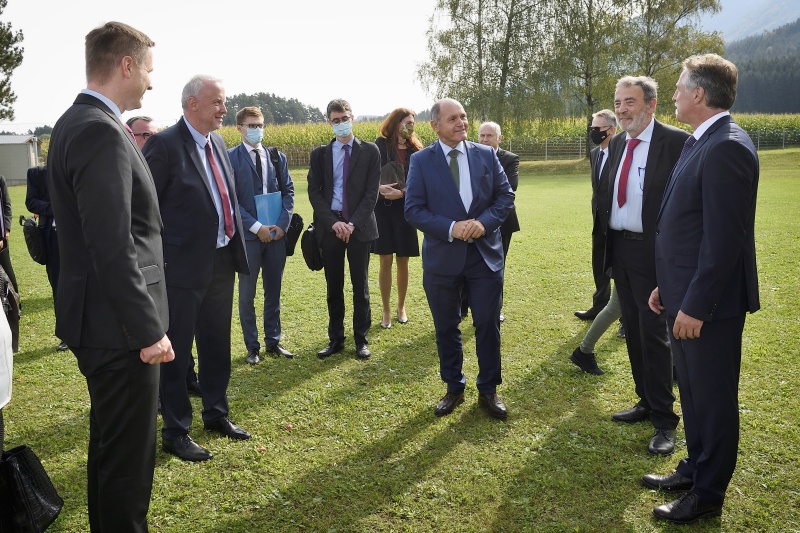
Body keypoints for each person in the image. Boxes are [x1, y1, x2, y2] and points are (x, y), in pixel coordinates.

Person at [47, 21, 174, 532]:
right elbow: (112, 243)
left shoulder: (75, 122)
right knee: (127, 468)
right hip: (118, 330)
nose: (150, 82)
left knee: (109, 453)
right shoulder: (98, 129)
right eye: (147, 69)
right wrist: (146, 331)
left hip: (100, 322)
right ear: (125, 65)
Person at [644, 54, 760, 525]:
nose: (672, 94)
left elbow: (723, 240)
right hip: (683, 296)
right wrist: (666, 288)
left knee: (712, 399)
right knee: (691, 393)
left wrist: (694, 304)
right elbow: (688, 228)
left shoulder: (727, 146)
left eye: (678, 87)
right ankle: (694, 467)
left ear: (699, 94)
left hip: (706, 307)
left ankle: (708, 493)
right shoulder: (703, 140)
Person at [143, 75, 251, 462]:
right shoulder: (165, 145)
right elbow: (147, 209)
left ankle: (216, 413)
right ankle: (175, 431)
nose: (224, 109)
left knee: (216, 343)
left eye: (224, 102)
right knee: (177, 352)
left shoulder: (219, 141)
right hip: (181, 269)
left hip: (221, 261)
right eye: (218, 103)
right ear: (192, 105)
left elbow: (227, 198)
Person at [405, 98, 515, 420]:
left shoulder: (485, 154)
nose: (462, 123)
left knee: (487, 324)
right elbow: (413, 209)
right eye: (453, 118)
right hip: (442, 259)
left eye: (464, 117)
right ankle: (454, 386)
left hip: (485, 257)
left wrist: (483, 223)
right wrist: (452, 228)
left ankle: (488, 389)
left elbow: (505, 196)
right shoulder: (422, 161)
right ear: (435, 125)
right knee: (446, 327)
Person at [599, 76, 689, 456]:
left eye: (629, 102)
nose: (621, 110)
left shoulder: (677, 143)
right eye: (618, 102)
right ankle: (645, 400)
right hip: (620, 251)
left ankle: (665, 421)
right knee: (633, 330)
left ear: (651, 105)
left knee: (655, 333)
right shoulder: (617, 142)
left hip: (655, 255)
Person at [308, 99, 381, 361]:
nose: (340, 124)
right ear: (329, 122)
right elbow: (314, 194)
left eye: (344, 118)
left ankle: (361, 339)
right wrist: (333, 223)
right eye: (335, 120)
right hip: (331, 228)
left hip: (359, 227)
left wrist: (352, 223)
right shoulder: (319, 155)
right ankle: (335, 339)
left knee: (360, 285)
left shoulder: (371, 151)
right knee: (334, 285)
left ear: (353, 117)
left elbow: (372, 193)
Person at [228, 106, 295, 364]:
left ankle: (273, 341)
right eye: (252, 125)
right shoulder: (230, 158)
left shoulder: (277, 157)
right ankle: (252, 347)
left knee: (273, 291)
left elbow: (289, 192)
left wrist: (280, 225)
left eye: (260, 125)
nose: (257, 130)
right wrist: (257, 227)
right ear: (240, 128)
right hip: (249, 238)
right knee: (247, 294)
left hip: (277, 237)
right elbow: (231, 200)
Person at [373, 108, 421, 329]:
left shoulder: (417, 150)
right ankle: (385, 311)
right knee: (385, 260)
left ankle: (401, 306)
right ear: (395, 124)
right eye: (406, 122)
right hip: (383, 210)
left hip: (406, 210)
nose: (410, 126)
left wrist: (401, 193)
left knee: (403, 260)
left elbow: (422, 184)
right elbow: (368, 176)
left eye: (412, 122)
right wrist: (379, 188)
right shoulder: (379, 146)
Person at [575, 109, 616, 321]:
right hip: (598, 219)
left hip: (619, 221)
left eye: (597, 128)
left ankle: (624, 319)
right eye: (592, 128)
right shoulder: (595, 154)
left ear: (611, 130)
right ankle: (599, 306)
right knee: (598, 263)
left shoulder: (622, 151)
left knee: (620, 269)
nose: (593, 132)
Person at [25, 166, 68, 352]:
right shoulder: (37, 173)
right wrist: (55, 207)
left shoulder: (75, 168)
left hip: (81, 237)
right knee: (59, 287)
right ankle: (66, 335)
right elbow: (31, 202)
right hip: (52, 239)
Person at [0, 175, 18, 296]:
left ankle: (16, 303)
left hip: (1, 235)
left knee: (7, 270)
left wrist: (6, 230)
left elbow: (7, 205)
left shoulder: (0, 179)